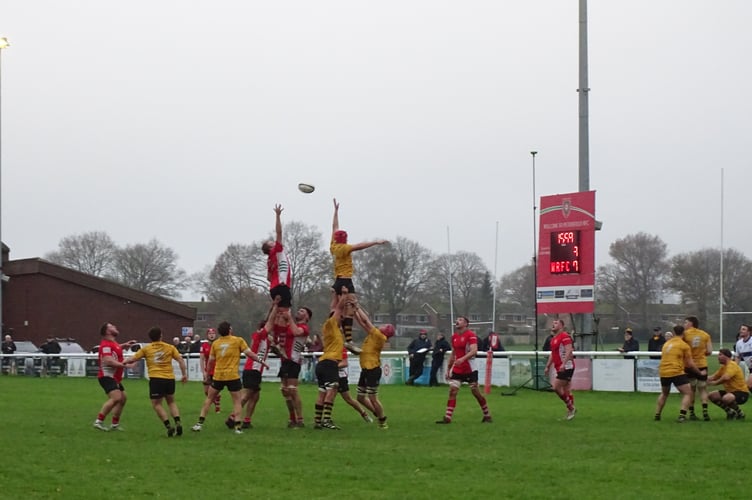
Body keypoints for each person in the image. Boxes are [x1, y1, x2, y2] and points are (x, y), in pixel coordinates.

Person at [330, 198, 388, 349]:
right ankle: (348, 340)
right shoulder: (344, 248)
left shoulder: (334, 246)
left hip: (337, 280)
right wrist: (375, 242)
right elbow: (360, 246)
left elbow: (334, 227)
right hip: (345, 281)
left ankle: (336, 333)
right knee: (350, 309)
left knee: (336, 308)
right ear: (345, 239)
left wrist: (336, 212)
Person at [191, 321, 268, 434]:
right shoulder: (238, 340)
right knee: (237, 401)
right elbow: (250, 354)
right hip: (232, 376)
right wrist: (262, 362)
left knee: (209, 399)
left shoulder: (216, 344)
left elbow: (211, 362)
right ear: (230, 330)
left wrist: (207, 375)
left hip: (218, 376)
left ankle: (199, 424)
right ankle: (237, 427)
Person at [123, 326, 187, 437]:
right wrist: (184, 374)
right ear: (161, 336)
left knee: (157, 404)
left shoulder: (146, 349)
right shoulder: (170, 347)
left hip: (156, 379)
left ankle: (168, 426)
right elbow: (180, 360)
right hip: (169, 378)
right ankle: (178, 422)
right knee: (171, 402)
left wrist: (122, 362)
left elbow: (132, 359)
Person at [435, 316, 492, 424]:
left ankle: (487, 415)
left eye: (460, 320)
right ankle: (447, 418)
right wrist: (448, 368)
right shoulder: (454, 337)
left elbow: (474, 350)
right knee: (452, 391)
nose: (457, 321)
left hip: (470, 368)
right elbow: (453, 353)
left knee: (475, 392)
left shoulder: (471, 335)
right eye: (457, 320)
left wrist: (463, 359)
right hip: (458, 368)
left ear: (466, 324)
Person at [226, 316, 272, 430]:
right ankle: (232, 417)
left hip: (255, 370)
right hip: (252, 369)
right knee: (246, 395)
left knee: (255, 396)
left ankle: (247, 420)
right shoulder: (260, 335)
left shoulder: (266, 339)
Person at [352, 304, 395, 429]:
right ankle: (378, 413)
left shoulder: (379, 336)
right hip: (366, 369)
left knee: (373, 398)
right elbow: (362, 323)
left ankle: (382, 421)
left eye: (384, 326)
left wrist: (357, 306)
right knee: (360, 398)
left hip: (373, 369)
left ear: (386, 331)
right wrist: (354, 312)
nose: (380, 326)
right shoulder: (373, 334)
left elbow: (366, 321)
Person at [654, 325, 704, 422]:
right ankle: (682, 415)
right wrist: (699, 373)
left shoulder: (667, 344)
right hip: (676, 371)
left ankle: (657, 414)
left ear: (674, 332)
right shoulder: (684, 345)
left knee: (664, 393)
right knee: (688, 393)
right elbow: (690, 364)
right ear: (683, 333)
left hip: (663, 371)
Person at [314, 289, 348, 430]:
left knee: (322, 392)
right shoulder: (331, 324)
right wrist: (344, 295)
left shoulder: (335, 330)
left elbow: (334, 307)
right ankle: (326, 420)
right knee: (332, 390)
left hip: (323, 363)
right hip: (329, 363)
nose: (342, 317)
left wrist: (335, 294)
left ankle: (317, 421)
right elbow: (337, 308)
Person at [273, 305, 311, 428]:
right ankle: (292, 418)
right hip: (284, 361)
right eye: (299, 310)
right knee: (285, 391)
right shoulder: (290, 325)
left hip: (293, 361)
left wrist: (289, 318)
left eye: (302, 311)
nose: (299, 312)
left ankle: (300, 419)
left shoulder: (304, 328)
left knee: (292, 390)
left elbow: (296, 332)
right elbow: (279, 329)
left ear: (307, 317)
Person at [93, 323, 137, 431]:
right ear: (107, 331)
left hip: (114, 377)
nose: (115, 327)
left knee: (123, 398)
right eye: (112, 327)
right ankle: (98, 421)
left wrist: (124, 345)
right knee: (116, 397)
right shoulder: (106, 345)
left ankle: (114, 424)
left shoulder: (113, 343)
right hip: (107, 376)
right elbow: (108, 361)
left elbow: (115, 349)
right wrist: (126, 365)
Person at [261, 204, 293, 312]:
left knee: (277, 312)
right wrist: (278, 216)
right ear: (270, 247)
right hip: (282, 285)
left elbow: (269, 278)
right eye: (271, 242)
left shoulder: (269, 260)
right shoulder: (277, 250)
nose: (273, 242)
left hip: (273, 288)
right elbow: (279, 232)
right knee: (285, 313)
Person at [543, 319, 577, 420]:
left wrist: (564, 363)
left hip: (567, 367)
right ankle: (570, 411)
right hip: (560, 367)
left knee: (556, 387)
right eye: (553, 323)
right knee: (566, 390)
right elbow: (553, 354)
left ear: (562, 326)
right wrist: (548, 366)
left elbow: (569, 350)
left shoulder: (565, 336)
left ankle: (571, 407)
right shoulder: (554, 339)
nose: (553, 325)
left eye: (556, 323)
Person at [682, 315, 713, 421]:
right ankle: (705, 412)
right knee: (703, 389)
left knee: (691, 389)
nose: (684, 325)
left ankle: (691, 413)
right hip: (702, 364)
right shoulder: (705, 335)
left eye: (686, 322)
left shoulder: (684, 334)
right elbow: (709, 351)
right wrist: (701, 353)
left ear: (691, 323)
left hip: (689, 365)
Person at [707, 348, 749, 420]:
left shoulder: (732, 365)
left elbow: (726, 377)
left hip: (741, 392)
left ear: (726, 356)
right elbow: (713, 377)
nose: (718, 357)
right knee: (711, 395)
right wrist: (699, 376)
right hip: (730, 392)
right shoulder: (723, 367)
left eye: (720, 355)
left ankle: (740, 413)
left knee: (726, 398)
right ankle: (730, 412)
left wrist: (714, 383)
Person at [336, 347, 373, 424]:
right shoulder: (328, 346)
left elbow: (345, 363)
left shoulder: (341, 347)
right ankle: (322, 419)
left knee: (348, 399)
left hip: (340, 376)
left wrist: (331, 367)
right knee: (326, 398)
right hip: (329, 376)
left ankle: (365, 414)